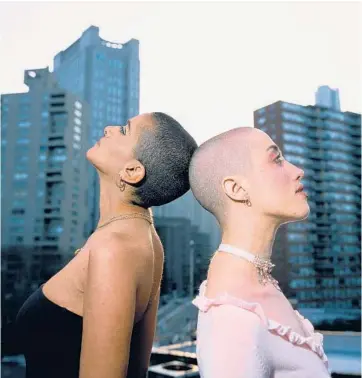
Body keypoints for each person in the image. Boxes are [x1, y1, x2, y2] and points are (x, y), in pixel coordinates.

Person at [16, 112, 198, 378]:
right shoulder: (145, 238)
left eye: (124, 130)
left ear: (133, 171)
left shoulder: (114, 248)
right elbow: (137, 371)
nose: (109, 128)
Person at [189, 127, 331, 377]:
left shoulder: (259, 283)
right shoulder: (232, 318)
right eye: (276, 160)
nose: (298, 171)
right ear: (236, 189)